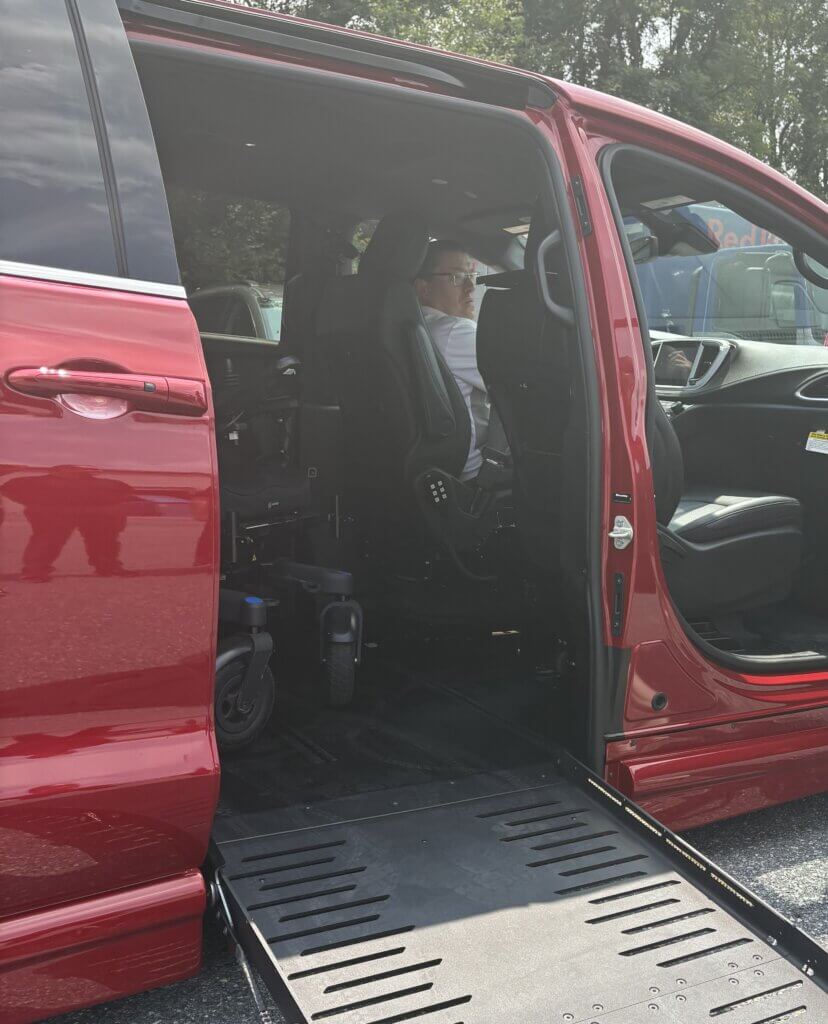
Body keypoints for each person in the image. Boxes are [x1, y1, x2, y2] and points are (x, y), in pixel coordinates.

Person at [414, 240, 489, 481]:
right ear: (423, 288)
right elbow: (526, 381)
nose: (470, 287)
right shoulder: (455, 331)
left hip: (435, 468)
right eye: (457, 277)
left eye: (472, 275)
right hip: (475, 477)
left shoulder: (416, 325)